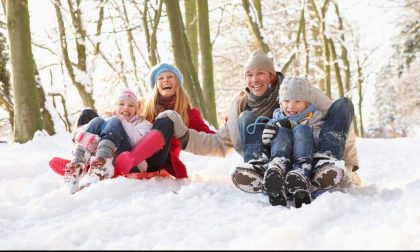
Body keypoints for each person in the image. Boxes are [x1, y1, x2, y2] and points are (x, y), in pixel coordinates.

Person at [157, 51, 360, 201]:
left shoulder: (297, 92)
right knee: (246, 118)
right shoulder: (239, 106)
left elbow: (339, 123)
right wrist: (183, 134)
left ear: (271, 76)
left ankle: (324, 167)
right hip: (272, 161)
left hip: (306, 152)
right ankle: (261, 170)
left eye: (260, 73)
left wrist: (348, 166)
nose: (255, 79)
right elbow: (218, 144)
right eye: (249, 75)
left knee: (342, 104)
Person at [245, 76, 327, 207]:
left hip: (304, 162)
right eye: (286, 101)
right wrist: (268, 137)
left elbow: (318, 140)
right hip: (283, 160)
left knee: (302, 129)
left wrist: (292, 124)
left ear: (306, 102)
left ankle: (300, 175)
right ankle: (276, 173)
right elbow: (268, 143)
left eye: (298, 101)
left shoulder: (314, 117)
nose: (291, 106)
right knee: (281, 132)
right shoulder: (276, 118)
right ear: (280, 102)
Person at [64, 88, 153, 193]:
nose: (126, 107)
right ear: (115, 107)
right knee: (97, 121)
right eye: (121, 104)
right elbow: (80, 131)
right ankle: (77, 166)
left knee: (113, 121)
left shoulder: (143, 123)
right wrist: (78, 135)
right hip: (103, 152)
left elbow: (137, 141)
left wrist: (120, 121)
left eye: (131, 105)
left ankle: (102, 165)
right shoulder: (107, 120)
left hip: (127, 154)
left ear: (137, 109)